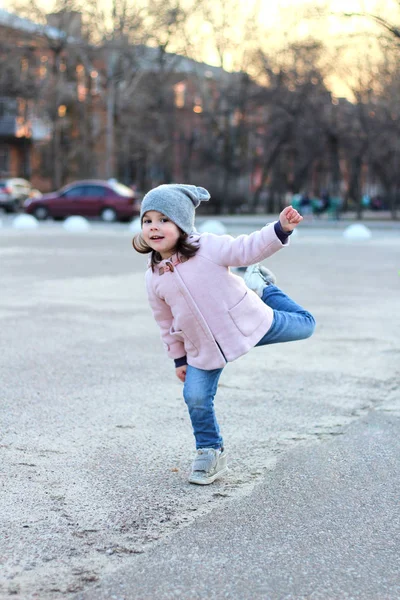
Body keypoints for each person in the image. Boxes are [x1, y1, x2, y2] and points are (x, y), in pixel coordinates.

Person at [132, 184, 315, 486]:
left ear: (181, 224)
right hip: (202, 347)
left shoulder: (209, 247)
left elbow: (248, 248)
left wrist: (280, 229)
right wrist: (179, 358)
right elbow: (164, 322)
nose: (154, 227)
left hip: (249, 322)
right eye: (147, 220)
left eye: (163, 219)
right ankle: (210, 452)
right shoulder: (153, 277)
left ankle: (265, 288)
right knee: (195, 396)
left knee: (307, 325)